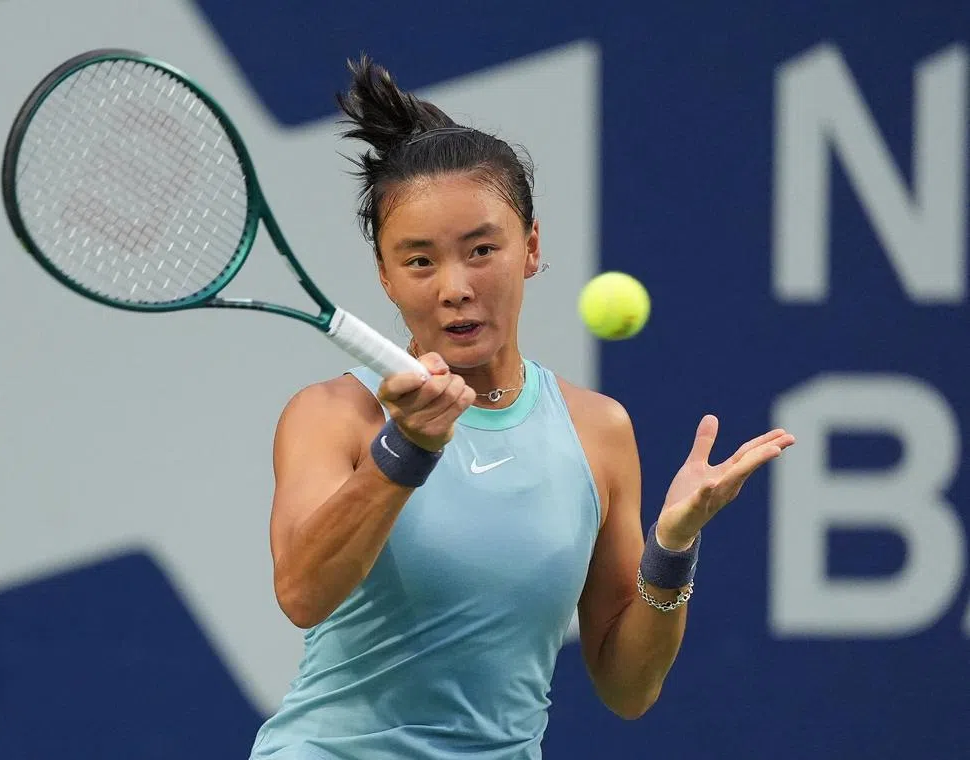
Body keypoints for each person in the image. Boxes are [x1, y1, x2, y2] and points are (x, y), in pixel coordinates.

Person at [248, 55, 796, 760]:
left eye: (482, 250)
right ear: (385, 274)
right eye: (419, 261)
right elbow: (301, 593)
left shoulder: (599, 430)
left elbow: (628, 688)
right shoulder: (333, 415)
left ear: (531, 248)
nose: (454, 287)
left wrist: (673, 546)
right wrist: (405, 449)